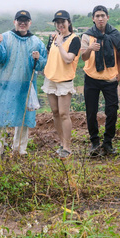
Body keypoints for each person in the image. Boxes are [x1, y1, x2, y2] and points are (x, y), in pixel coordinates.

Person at [0, 10, 47, 160]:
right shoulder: (5, 37)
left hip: (26, 84)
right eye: (20, 20)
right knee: (1, 116)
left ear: (30, 23)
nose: (22, 23)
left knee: (23, 117)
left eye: (25, 20)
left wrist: (38, 59)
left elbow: (40, 65)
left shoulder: (36, 42)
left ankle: (19, 148)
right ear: (14, 22)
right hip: (6, 84)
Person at [80, 5, 120, 157]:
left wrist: (119, 72)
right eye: (97, 16)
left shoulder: (115, 34)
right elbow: (83, 57)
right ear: (93, 18)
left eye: (103, 15)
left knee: (112, 111)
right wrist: (90, 49)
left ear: (107, 17)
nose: (100, 18)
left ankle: (108, 142)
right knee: (91, 111)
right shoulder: (87, 36)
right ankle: (94, 142)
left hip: (110, 78)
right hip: (91, 78)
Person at [42, 10, 81, 159]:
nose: (60, 25)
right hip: (50, 78)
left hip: (64, 81)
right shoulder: (53, 38)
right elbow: (48, 55)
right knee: (55, 112)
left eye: (63, 22)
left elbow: (68, 59)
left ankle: (67, 147)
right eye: (57, 22)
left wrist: (59, 44)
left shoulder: (74, 39)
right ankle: (61, 143)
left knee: (64, 114)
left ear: (69, 22)